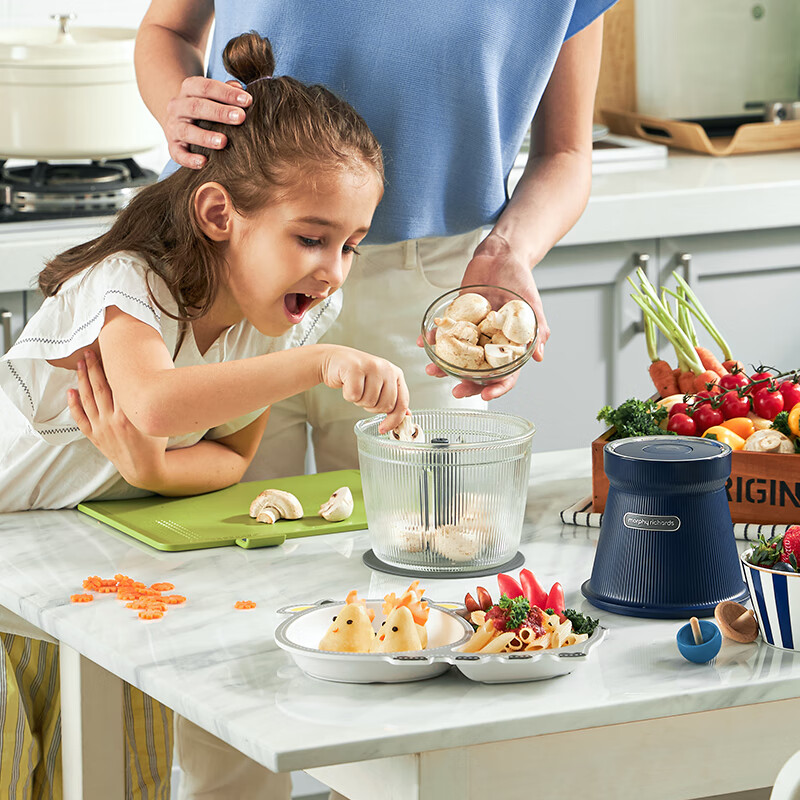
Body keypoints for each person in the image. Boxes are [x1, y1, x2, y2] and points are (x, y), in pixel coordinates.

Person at [0, 31, 405, 798]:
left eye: (351, 245)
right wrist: (315, 366)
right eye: (312, 239)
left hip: (61, 542)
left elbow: (227, 458)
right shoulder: (130, 284)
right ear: (220, 212)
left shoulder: (271, 321)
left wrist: (150, 469)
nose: (333, 270)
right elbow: (150, 400)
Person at [135, 0, 613, 483]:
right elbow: (167, 28)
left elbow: (567, 151)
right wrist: (184, 109)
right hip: (225, 275)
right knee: (220, 534)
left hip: (424, 293)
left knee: (429, 530)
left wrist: (508, 250)